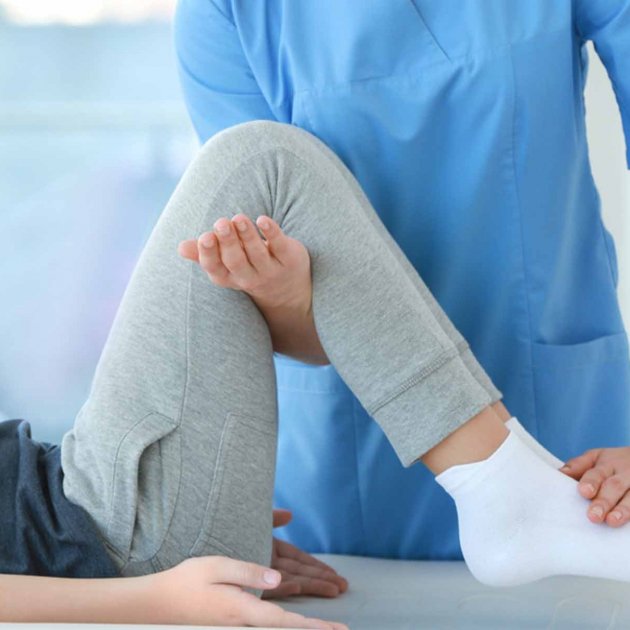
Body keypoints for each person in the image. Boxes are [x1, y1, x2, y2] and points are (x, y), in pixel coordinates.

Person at [3, 119, 630, 625]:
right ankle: (502, 490)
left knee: (266, 167)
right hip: (95, 538)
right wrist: (153, 597)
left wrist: (197, 505)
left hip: (80, 515)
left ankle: (510, 485)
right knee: (263, 163)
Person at [173, 0, 630, 560]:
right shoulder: (227, 11)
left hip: (564, 430)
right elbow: (261, 221)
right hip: (351, 457)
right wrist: (281, 290)